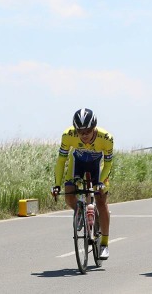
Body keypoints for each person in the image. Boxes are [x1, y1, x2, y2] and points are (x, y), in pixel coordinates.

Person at [51, 108, 113, 260]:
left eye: (88, 131)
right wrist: (57, 184)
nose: (84, 135)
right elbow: (61, 161)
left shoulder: (106, 138)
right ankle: (80, 211)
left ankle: (104, 243)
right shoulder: (68, 135)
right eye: (80, 132)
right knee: (69, 194)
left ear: (94, 128)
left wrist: (100, 183)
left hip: (97, 166)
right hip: (77, 163)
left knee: (101, 200)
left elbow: (108, 163)